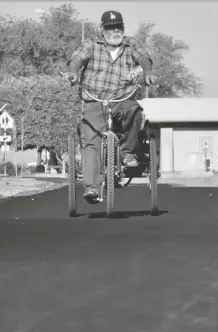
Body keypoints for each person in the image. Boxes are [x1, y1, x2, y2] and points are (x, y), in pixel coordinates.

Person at [64, 10, 157, 203]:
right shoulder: (91, 44)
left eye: (118, 27)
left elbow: (143, 58)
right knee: (92, 143)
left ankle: (127, 153)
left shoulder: (131, 44)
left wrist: (147, 72)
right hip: (94, 100)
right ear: (102, 29)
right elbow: (77, 59)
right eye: (110, 28)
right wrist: (73, 72)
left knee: (135, 111)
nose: (115, 31)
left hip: (122, 97)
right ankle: (92, 189)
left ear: (123, 28)